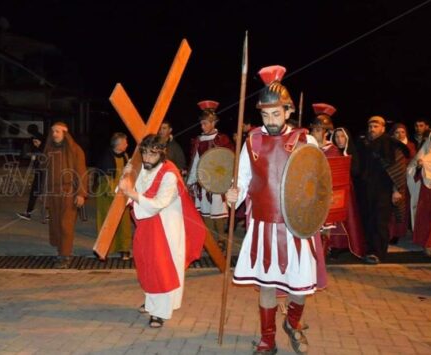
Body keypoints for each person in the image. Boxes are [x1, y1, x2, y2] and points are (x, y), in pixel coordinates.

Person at [226, 65, 320, 355]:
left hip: (296, 225)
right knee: (266, 284)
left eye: (276, 114)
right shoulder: (253, 140)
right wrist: (234, 195)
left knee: (300, 286)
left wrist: (317, 215)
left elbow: (318, 187)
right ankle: (267, 338)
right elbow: (242, 179)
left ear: (288, 111)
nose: (271, 120)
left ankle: (292, 324)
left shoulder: (307, 141)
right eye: (265, 115)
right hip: (263, 223)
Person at [117, 134, 206, 328]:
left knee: (162, 268)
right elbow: (129, 189)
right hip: (148, 226)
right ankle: (152, 303)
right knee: (147, 264)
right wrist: (126, 176)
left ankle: (160, 312)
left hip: (166, 229)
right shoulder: (144, 168)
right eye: (145, 153)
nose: (148, 158)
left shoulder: (169, 174)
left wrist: (131, 193)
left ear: (162, 153)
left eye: (153, 154)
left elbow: (158, 204)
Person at [356, 116, 407, 264]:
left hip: (384, 190)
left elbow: (398, 169)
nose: (372, 129)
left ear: (383, 128)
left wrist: (396, 190)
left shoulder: (391, 145)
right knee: (367, 220)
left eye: (376, 126)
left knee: (380, 222)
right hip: (365, 190)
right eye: (370, 126)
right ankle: (369, 250)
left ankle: (378, 253)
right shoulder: (363, 143)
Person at [186, 100, 234, 249]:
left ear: (213, 122)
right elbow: (196, 162)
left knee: (218, 214)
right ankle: (211, 241)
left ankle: (222, 240)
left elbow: (229, 162)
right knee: (206, 213)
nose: (202, 126)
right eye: (201, 124)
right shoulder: (199, 140)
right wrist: (191, 181)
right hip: (204, 183)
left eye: (205, 123)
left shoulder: (222, 139)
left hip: (218, 184)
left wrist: (228, 181)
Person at [42, 121, 88, 268]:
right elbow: (45, 173)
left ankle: (65, 256)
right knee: (55, 224)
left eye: (58, 131)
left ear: (65, 134)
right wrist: (44, 193)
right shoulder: (49, 150)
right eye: (53, 131)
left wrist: (81, 194)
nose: (54, 134)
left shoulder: (75, 150)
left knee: (65, 224)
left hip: (69, 192)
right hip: (53, 192)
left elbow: (81, 172)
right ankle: (60, 251)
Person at [407, 128, 431, 257]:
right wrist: (419, 166)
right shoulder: (425, 152)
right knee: (425, 214)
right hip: (426, 188)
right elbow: (412, 170)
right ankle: (425, 242)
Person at [327, 128, 366, 259]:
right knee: (335, 219)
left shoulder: (353, 153)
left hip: (347, 190)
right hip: (334, 190)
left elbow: (357, 172)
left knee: (348, 218)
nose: (339, 139)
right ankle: (335, 245)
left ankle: (348, 244)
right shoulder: (332, 152)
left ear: (347, 138)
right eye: (336, 136)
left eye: (342, 136)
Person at [95, 132, 132, 260]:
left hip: (122, 193)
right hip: (106, 194)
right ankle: (103, 249)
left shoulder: (126, 156)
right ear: (119, 144)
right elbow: (104, 178)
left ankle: (124, 249)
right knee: (106, 222)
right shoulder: (106, 156)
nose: (127, 144)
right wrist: (113, 193)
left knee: (124, 223)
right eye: (125, 142)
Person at [389, 123, 416, 243]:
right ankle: (391, 232)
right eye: (397, 132)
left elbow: (413, 161)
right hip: (391, 179)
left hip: (405, 180)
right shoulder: (389, 145)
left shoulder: (410, 145)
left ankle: (399, 232)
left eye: (402, 132)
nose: (400, 135)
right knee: (391, 207)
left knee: (402, 207)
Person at [16, 126, 46, 221]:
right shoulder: (37, 149)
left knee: (46, 195)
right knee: (34, 193)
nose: (35, 144)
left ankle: (48, 214)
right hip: (39, 174)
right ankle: (28, 213)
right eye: (34, 142)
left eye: (37, 142)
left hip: (46, 175)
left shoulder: (45, 149)